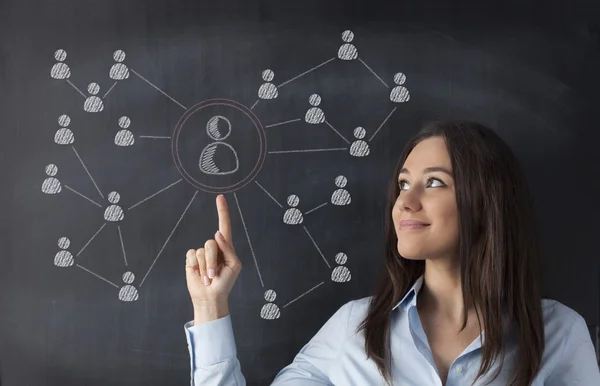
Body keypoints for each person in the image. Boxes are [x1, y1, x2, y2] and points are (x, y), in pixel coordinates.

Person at [183, 120, 600, 385]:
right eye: (403, 184)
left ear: (486, 200)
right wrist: (210, 305)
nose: (405, 202)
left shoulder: (559, 334)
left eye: (434, 183)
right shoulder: (354, 329)